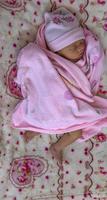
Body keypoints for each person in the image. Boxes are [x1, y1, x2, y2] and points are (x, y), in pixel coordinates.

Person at [12, 7, 107, 163]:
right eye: (73, 47)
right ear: (57, 52)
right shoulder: (51, 64)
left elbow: (87, 84)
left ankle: (57, 147)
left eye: (80, 42)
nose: (80, 47)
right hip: (50, 103)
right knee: (39, 116)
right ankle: (36, 128)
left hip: (72, 108)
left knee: (75, 133)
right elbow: (39, 79)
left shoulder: (85, 63)